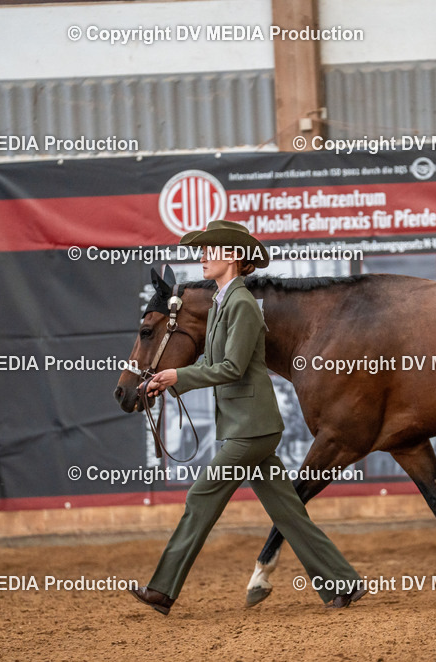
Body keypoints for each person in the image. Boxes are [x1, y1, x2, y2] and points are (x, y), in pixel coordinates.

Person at [129, 220, 366, 614]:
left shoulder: (241, 303)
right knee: (288, 512)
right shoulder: (222, 303)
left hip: (251, 430)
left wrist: (178, 377)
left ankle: (162, 590)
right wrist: (166, 380)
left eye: (211, 250)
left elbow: (232, 368)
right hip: (250, 426)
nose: (203, 257)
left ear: (234, 257)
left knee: (201, 496)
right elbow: (210, 361)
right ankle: (343, 583)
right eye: (202, 251)